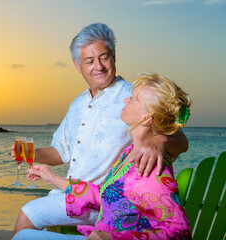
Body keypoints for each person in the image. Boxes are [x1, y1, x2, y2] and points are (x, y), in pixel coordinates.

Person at [12, 23, 188, 236]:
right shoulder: (78, 103)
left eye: (104, 57)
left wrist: (160, 141)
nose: (99, 66)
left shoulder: (132, 98)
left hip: (109, 205)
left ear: (113, 57)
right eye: (89, 61)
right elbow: (61, 152)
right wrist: (31, 155)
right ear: (78, 65)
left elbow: (179, 138)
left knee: (29, 214)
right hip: (75, 193)